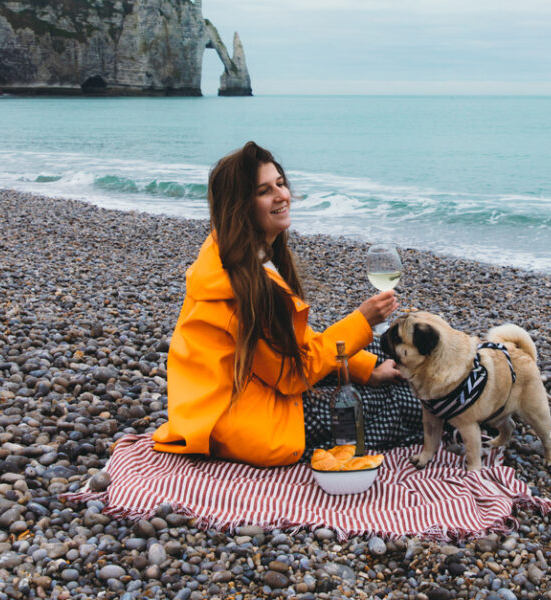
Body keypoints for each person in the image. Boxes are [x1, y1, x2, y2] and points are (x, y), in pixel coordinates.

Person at [153, 141, 422, 466]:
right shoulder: (244, 285)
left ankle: (472, 381)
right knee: (399, 400)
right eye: (265, 190)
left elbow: (293, 345)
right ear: (241, 206)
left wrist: (364, 368)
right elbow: (292, 374)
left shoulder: (227, 250)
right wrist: (362, 321)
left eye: (280, 183)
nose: (282, 195)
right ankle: (474, 404)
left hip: (225, 398)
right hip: (248, 422)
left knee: (383, 352)